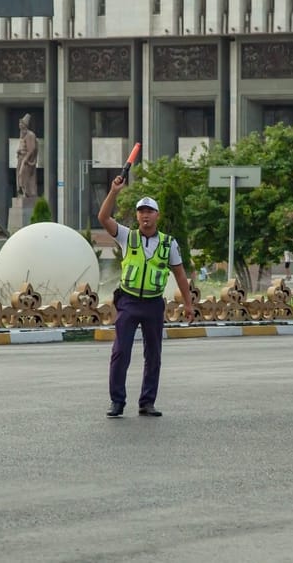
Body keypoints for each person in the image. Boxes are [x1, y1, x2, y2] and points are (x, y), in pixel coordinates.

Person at [98, 176, 195, 418]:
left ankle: (147, 402)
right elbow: (103, 218)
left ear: (157, 216)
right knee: (121, 352)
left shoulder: (168, 244)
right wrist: (113, 192)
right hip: (129, 302)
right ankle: (117, 402)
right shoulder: (126, 236)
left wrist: (189, 304)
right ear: (137, 215)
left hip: (153, 304)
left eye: (150, 211)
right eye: (141, 211)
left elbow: (181, 276)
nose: (145, 216)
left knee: (153, 355)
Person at [15, 113, 38, 197]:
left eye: (21, 123)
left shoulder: (30, 135)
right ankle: (21, 192)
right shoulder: (22, 134)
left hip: (26, 159)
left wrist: (26, 159)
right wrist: (18, 151)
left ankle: (27, 192)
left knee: (23, 175)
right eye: (19, 123)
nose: (19, 125)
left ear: (25, 125)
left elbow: (32, 149)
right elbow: (21, 146)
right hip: (20, 158)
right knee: (18, 175)